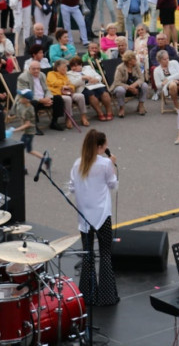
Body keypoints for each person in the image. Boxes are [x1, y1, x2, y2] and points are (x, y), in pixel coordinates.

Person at [70, 129, 119, 306]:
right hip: (102, 214)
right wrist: (112, 164)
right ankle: (107, 296)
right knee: (105, 253)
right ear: (100, 147)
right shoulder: (105, 164)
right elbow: (113, 184)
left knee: (88, 253)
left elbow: (72, 187)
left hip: (84, 216)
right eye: (105, 145)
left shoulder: (77, 164)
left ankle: (87, 295)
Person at [112, 50, 146, 117]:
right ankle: (121, 108)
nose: (136, 59)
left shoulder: (136, 66)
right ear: (129, 60)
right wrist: (129, 87)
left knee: (145, 85)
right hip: (122, 86)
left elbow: (142, 78)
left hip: (133, 85)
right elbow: (117, 82)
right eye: (134, 58)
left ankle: (141, 105)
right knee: (120, 90)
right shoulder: (120, 68)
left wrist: (134, 85)